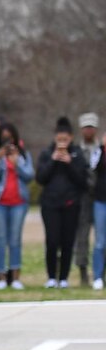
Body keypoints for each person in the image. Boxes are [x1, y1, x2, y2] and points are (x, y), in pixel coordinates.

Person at [37, 117, 88, 288]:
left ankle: (64, 278)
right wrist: (53, 160)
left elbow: (83, 181)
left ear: (71, 138)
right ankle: (52, 277)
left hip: (71, 204)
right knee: (52, 241)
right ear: (55, 138)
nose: (62, 143)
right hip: (50, 204)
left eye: (65, 139)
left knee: (67, 241)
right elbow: (40, 178)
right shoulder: (46, 154)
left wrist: (69, 163)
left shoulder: (77, 154)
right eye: (59, 139)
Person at [0, 123, 31, 289]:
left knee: (15, 240)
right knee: (0, 239)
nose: (7, 142)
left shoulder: (23, 155)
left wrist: (17, 163)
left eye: (10, 138)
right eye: (4, 138)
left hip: (19, 203)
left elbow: (30, 176)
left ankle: (15, 277)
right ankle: (1, 277)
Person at [81, 113, 106, 289]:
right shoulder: (100, 150)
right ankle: (97, 276)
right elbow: (92, 166)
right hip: (100, 200)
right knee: (99, 240)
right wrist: (103, 148)